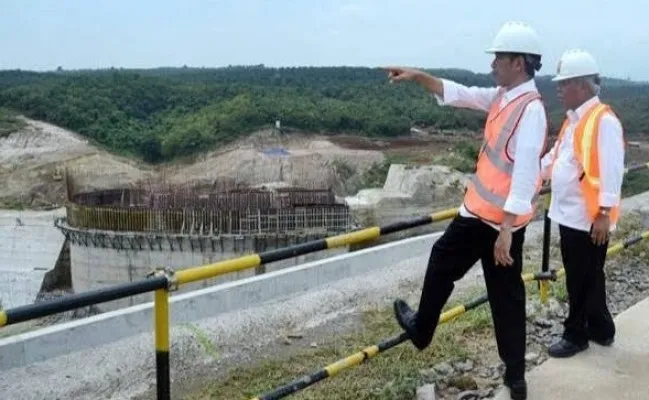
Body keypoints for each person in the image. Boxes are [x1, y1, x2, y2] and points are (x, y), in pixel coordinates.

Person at [385, 21, 548, 400]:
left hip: (492, 221)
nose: (493, 64)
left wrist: (506, 229)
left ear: (519, 63)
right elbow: (460, 93)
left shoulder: (530, 109)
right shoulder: (506, 97)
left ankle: (423, 329)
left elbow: (525, 172)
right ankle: (515, 377)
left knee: (445, 263)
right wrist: (420, 77)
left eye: (499, 58)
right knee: (505, 294)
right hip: (491, 216)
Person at [540, 49, 625, 358]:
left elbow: (612, 170)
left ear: (581, 84)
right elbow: (559, 157)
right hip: (571, 215)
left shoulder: (603, 121)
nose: (559, 90)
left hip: (588, 217)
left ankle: (575, 335)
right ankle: (601, 328)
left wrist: (603, 213)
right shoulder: (575, 121)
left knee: (580, 277)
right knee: (589, 274)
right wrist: (534, 175)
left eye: (564, 84)